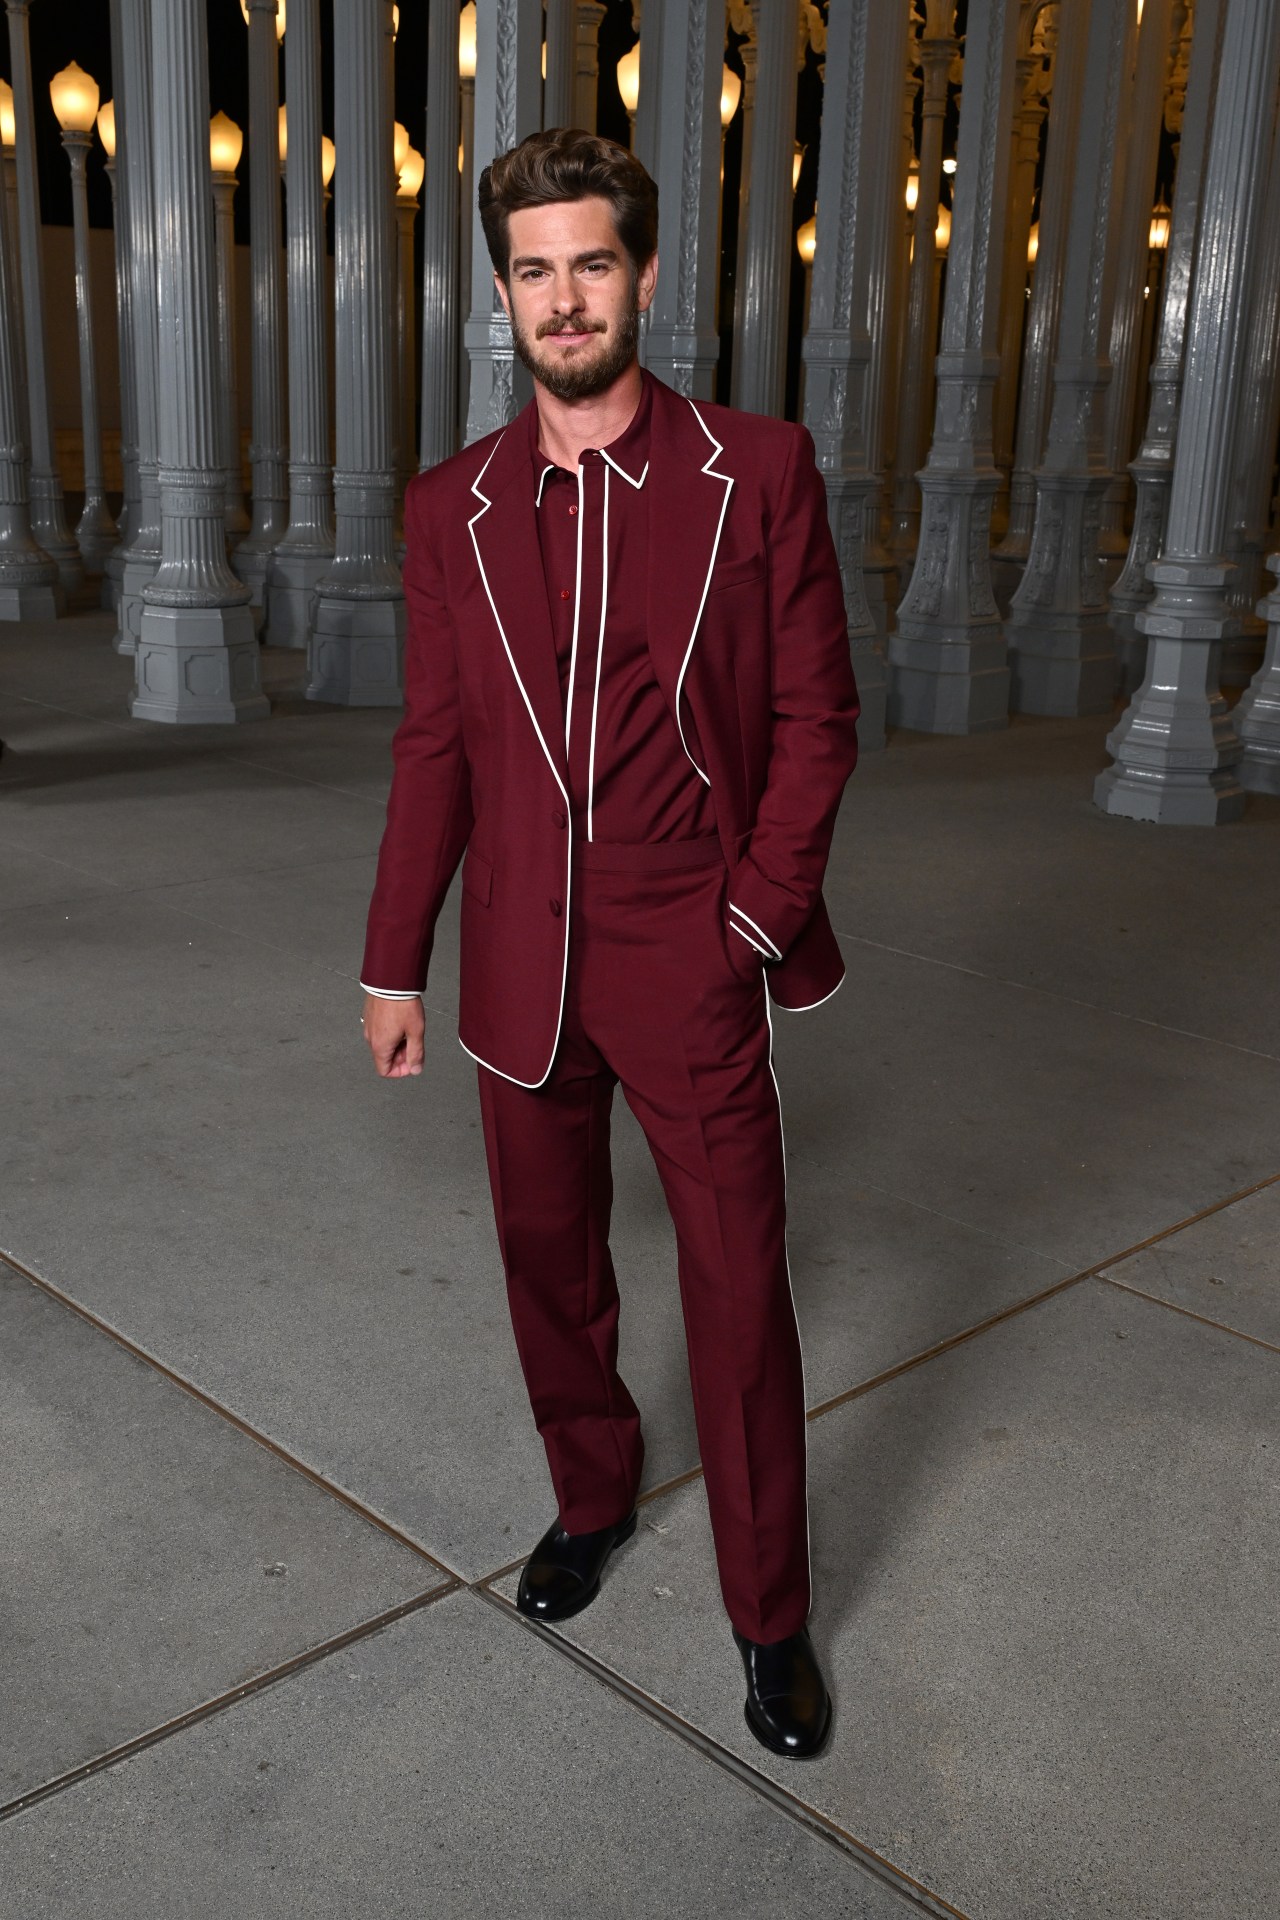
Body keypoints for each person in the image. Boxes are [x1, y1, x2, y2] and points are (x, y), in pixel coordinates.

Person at [361, 128, 858, 1760]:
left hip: (686, 943)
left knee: (735, 1290)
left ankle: (770, 1615)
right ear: (501, 294)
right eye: (533, 270)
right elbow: (434, 742)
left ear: (643, 276)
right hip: (518, 957)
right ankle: (590, 1499)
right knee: (549, 1269)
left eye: (590, 262)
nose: (563, 298)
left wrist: (751, 920)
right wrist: (394, 959)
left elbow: (815, 721)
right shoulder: (455, 506)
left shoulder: (758, 471)